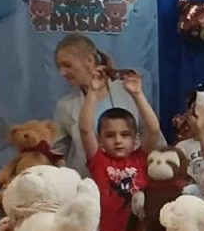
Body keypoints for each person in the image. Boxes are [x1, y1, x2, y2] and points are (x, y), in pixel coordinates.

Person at [79, 68, 161, 231]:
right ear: (100, 140)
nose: (118, 140)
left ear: (135, 139)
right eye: (110, 135)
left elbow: (153, 130)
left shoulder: (140, 158)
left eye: (125, 135)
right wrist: (92, 92)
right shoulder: (99, 161)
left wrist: (137, 94)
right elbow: (85, 130)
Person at [52, 33, 148, 178]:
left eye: (67, 65)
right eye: (59, 67)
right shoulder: (64, 106)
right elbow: (56, 152)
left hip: (130, 181)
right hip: (85, 183)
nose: (62, 72)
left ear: (90, 60)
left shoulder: (129, 91)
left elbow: (152, 135)